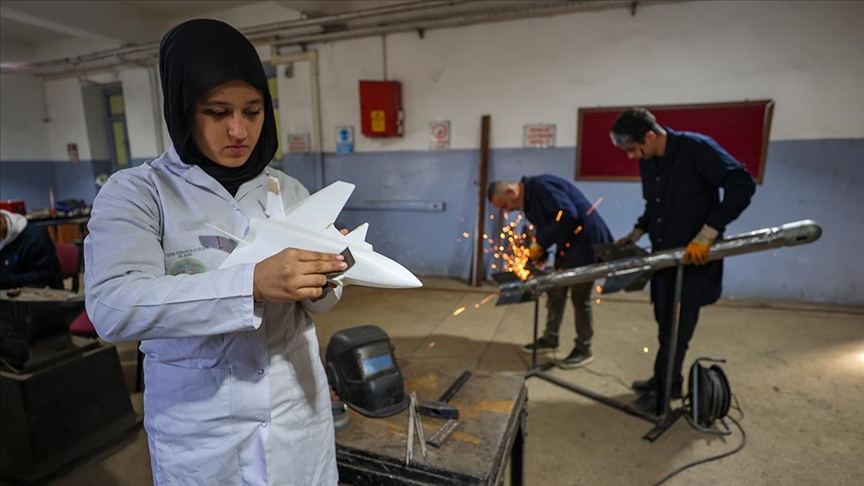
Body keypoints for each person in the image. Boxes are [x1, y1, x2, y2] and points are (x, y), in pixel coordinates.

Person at [84, 20, 346, 485]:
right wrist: (251, 284)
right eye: (217, 111)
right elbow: (113, 307)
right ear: (184, 111)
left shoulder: (285, 188)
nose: (238, 130)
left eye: (253, 110)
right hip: (203, 436)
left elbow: (319, 304)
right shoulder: (140, 193)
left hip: (295, 418)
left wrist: (328, 276)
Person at [609, 107, 756, 415]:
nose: (631, 157)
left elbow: (742, 184)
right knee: (665, 325)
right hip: (664, 260)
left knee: (677, 331)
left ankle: (661, 397)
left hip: (694, 259)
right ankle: (667, 381)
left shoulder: (696, 148)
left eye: (634, 149)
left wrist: (709, 232)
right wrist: (637, 232)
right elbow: (655, 205)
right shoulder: (650, 162)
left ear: (650, 136)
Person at [488, 175, 613, 368]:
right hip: (570, 244)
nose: (508, 211)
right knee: (556, 289)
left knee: (580, 296)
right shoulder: (529, 201)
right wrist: (540, 254)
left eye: (506, 205)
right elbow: (550, 226)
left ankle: (584, 349)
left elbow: (568, 216)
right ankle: (550, 337)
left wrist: (539, 246)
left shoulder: (541, 187)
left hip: (586, 243)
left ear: (511, 192)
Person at [0, 209, 64, 290]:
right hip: (14, 287)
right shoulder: (5, 238)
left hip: (44, 291)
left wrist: (7, 280)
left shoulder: (36, 238)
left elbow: (43, 276)